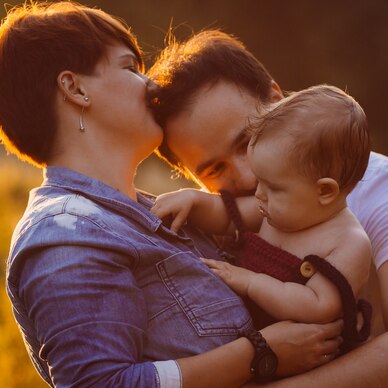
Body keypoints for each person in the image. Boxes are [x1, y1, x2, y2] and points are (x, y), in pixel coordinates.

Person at [0, 4, 343, 388]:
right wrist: (260, 352)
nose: (150, 84)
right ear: (75, 89)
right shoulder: (65, 233)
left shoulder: (158, 214)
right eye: (130, 67)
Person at [148, 30, 388, 388]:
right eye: (214, 169)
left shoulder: (386, 189)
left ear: (278, 102)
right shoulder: (214, 218)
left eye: (247, 141)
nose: (247, 176)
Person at [151, 85, 373, 352]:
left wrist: (251, 282)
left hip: (305, 358)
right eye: (261, 182)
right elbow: (226, 217)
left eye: (273, 188)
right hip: (247, 338)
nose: (258, 194)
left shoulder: (348, 242)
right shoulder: (274, 211)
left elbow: (318, 305)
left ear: (324, 191)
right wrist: (194, 201)